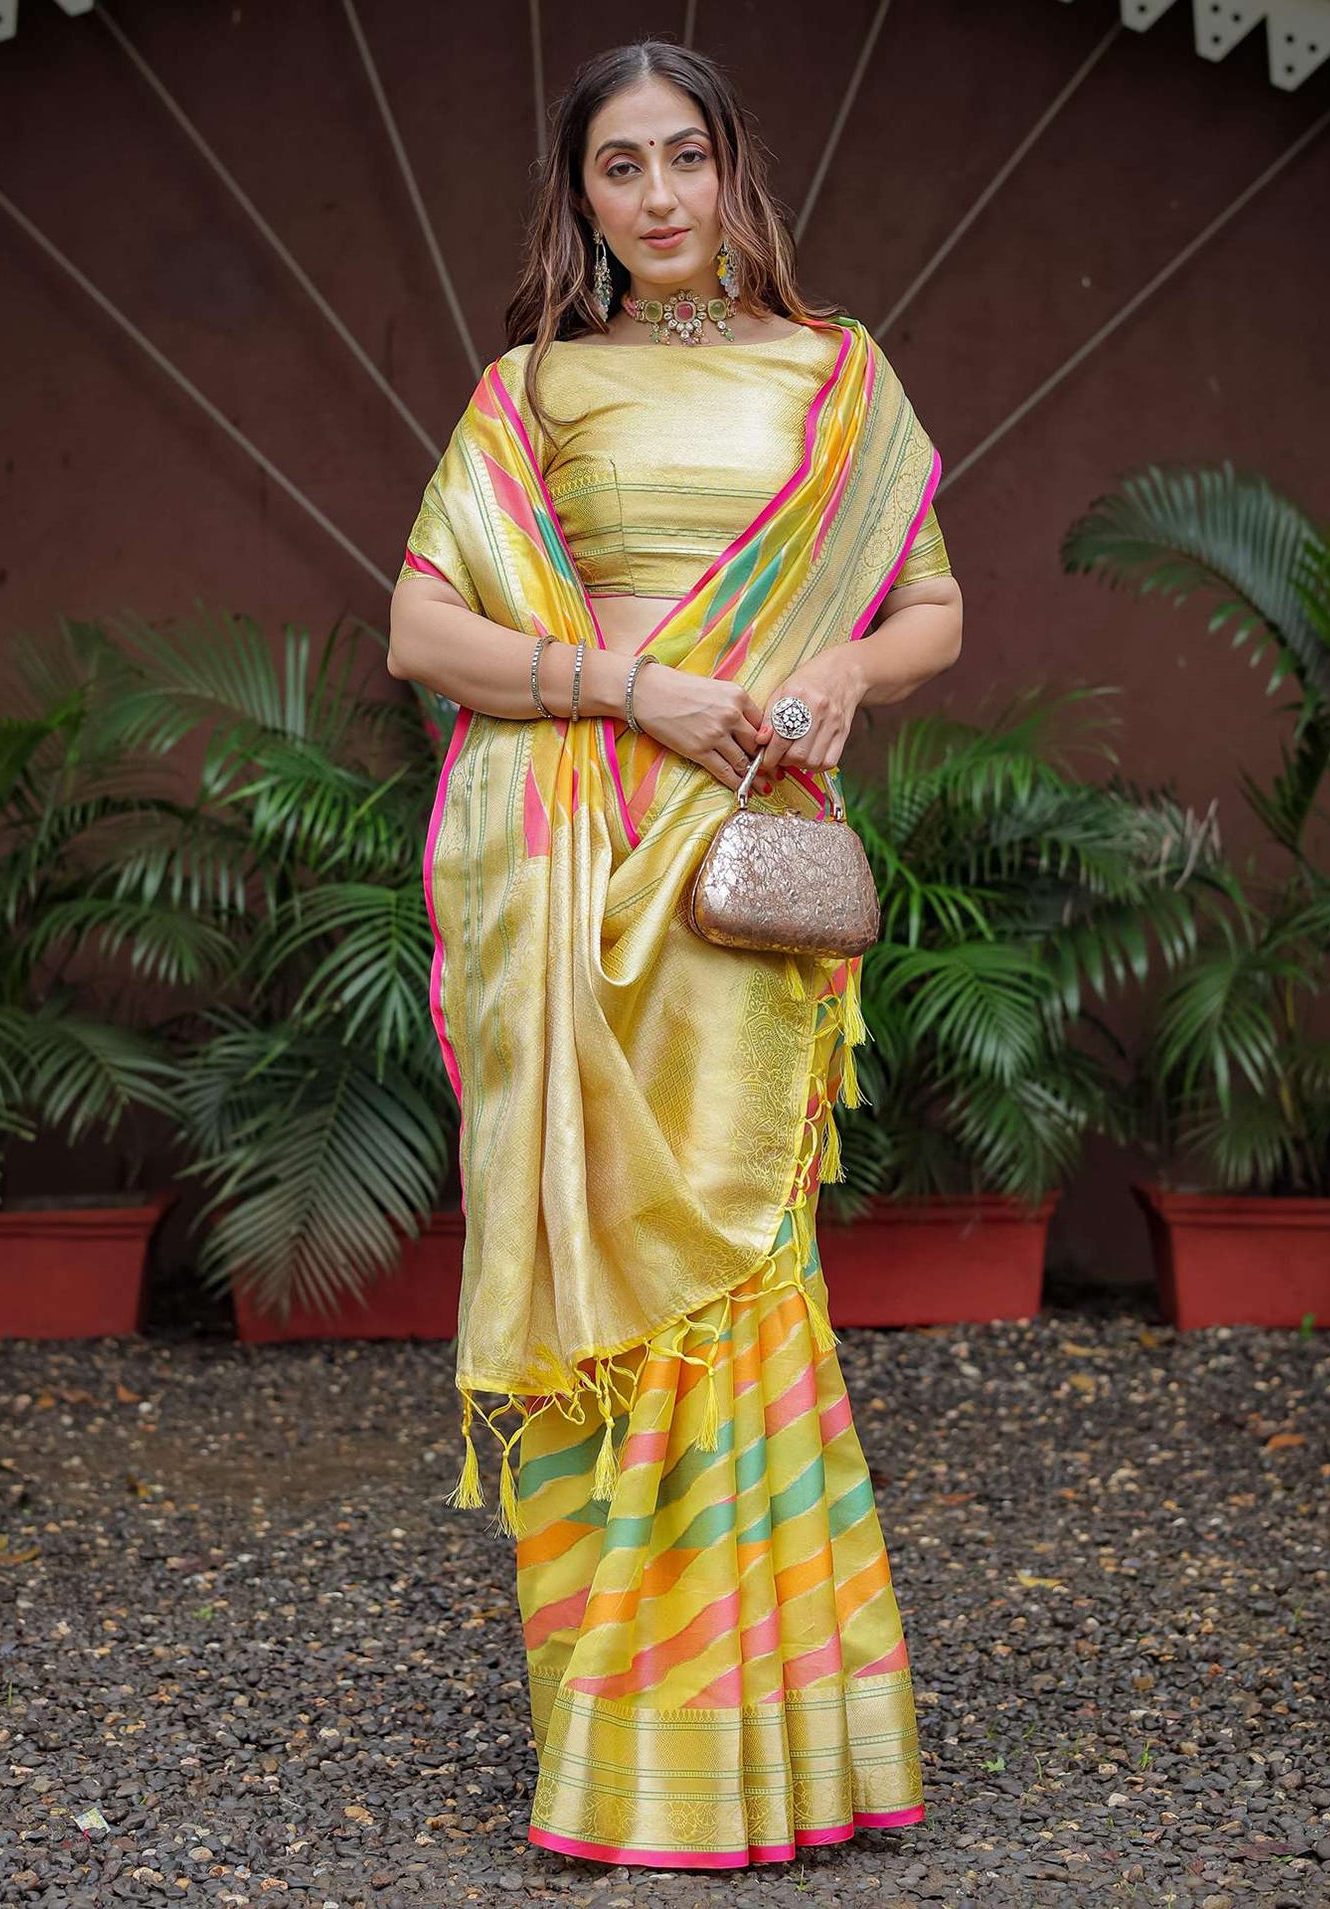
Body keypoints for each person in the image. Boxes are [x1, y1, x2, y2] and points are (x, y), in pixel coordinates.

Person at [386, 36, 963, 1873]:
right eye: (618, 168)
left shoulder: (840, 385)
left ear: (735, 176)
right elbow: (420, 624)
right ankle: (629, 1750)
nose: (655, 197)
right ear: (582, 199)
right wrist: (629, 686)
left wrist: (839, 670)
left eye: (685, 159)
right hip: (576, 859)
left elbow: (933, 605)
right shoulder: (531, 388)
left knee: (741, 1264)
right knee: (593, 1275)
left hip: (745, 859)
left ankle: (773, 1745)